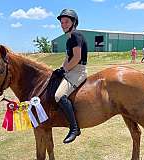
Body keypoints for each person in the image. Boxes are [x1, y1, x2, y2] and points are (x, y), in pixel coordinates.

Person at [53, 9, 88, 143]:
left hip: (78, 71)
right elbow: (68, 58)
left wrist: (65, 70)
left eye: (66, 21)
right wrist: (61, 69)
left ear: (74, 22)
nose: (63, 24)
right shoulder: (69, 40)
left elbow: (77, 58)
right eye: (62, 22)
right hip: (71, 69)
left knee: (59, 96)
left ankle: (74, 128)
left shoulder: (76, 35)